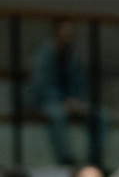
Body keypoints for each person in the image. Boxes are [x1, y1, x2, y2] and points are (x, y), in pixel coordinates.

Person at [28, 18, 107, 166]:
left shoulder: (73, 59)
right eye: (65, 36)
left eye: (71, 36)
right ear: (56, 35)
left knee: (100, 115)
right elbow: (42, 86)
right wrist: (63, 101)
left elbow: (81, 84)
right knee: (57, 115)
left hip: (72, 102)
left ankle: (94, 161)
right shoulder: (43, 58)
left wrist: (78, 101)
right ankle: (65, 160)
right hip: (46, 102)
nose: (68, 39)